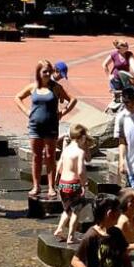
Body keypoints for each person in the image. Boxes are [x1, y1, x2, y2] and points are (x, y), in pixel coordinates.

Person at [16, 59, 76, 199]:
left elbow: (72, 100)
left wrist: (62, 112)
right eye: (45, 71)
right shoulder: (33, 87)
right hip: (35, 127)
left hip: (51, 126)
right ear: (38, 72)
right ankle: (36, 186)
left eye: (50, 71)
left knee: (50, 157)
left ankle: (51, 187)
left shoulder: (55, 87)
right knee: (36, 157)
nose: (48, 74)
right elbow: (17, 97)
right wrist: (27, 111)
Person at [53, 124, 91, 244]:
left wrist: (56, 181)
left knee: (67, 209)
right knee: (76, 211)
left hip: (63, 183)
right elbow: (80, 171)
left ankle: (59, 228)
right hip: (74, 184)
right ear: (83, 137)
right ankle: (71, 237)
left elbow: (59, 167)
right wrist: (84, 184)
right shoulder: (79, 152)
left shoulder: (66, 150)